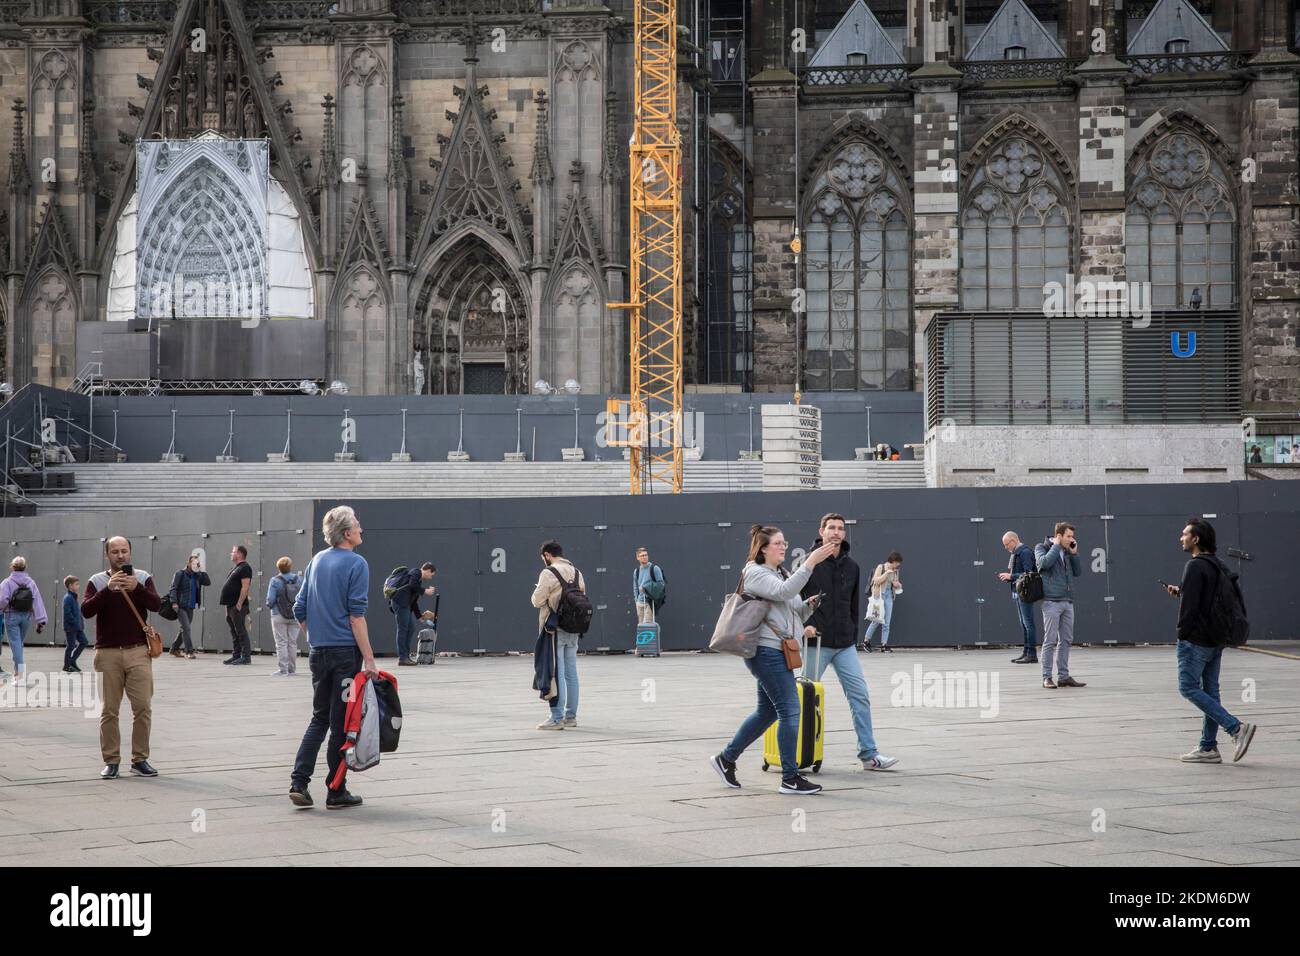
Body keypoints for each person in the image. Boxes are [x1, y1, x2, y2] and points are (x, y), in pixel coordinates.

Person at [709, 525, 835, 796]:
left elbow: (791, 612)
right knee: (790, 711)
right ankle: (790, 778)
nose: (783, 547)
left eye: (784, 542)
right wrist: (810, 562)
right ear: (763, 548)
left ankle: (726, 759)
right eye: (778, 543)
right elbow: (782, 593)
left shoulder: (781, 573)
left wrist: (809, 606)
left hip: (778, 650)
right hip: (766, 652)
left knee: (767, 712)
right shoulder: (755, 573)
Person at [289, 505, 378, 810]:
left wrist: (315, 635)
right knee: (342, 724)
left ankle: (299, 781)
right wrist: (369, 660)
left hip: (318, 653)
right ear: (346, 533)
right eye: (356, 524)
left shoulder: (316, 561)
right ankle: (336, 790)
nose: (361, 528)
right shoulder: (357, 564)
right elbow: (357, 617)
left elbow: (299, 609)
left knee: (319, 718)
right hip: (345, 656)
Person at [800, 513, 899, 771]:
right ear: (821, 531)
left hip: (844, 645)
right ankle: (798, 754)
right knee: (804, 699)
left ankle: (869, 755)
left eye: (840, 528)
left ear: (844, 533)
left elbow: (855, 606)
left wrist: (853, 634)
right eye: (831, 528)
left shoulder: (852, 567)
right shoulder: (808, 564)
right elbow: (794, 602)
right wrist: (803, 628)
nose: (836, 532)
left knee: (860, 696)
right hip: (816, 644)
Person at [1164, 518, 1256, 763]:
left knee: (1188, 687)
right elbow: (1205, 599)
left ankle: (1236, 728)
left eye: (1185, 534)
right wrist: (1181, 592)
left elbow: (1191, 608)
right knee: (1211, 693)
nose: (1181, 538)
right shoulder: (1217, 565)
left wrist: (1182, 634)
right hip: (1215, 640)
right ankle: (1208, 748)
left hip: (1196, 640)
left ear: (1196, 539)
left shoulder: (1194, 566)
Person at [82, 536, 162, 779]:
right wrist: (109, 589)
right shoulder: (97, 581)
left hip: (138, 650)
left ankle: (140, 759)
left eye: (124, 551)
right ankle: (112, 760)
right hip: (107, 652)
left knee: (143, 708)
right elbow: (86, 610)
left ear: (130, 553)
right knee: (109, 711)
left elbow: (156, 605)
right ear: (108, 555)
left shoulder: (143, 577)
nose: (120, 556)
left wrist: (135, 587)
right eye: (115, 551)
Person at [531, 541, 586, 730]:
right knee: (572, 673)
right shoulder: (577, 572)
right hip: (574, 628)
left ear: (547, 555)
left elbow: (537, 601)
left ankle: (556, 718)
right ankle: (571, 716)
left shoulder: (548, 573)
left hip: (554, 629)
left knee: (556, 672)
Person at [1035, 522, 1085, 689]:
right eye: (1068, 536)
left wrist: (1074, 553)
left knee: (1066, 640)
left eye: (1072, 536)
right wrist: (1055, 547)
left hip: (1067, 601)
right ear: (1059, 536)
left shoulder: (1067, 551)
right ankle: (1047, 677)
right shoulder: (1041, 547)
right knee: (1050, 640)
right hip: (1051, 601)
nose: (1072, 539)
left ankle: (1063, 676)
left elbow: (1078, 572)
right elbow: (1044, 564)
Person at [0, 556, 48, 688]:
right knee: (19, 644)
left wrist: (1, 609)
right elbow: (37, 601)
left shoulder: (7, 582)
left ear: (12, 567)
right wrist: (41, 620)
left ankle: (19, 677)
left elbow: (2, 600)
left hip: (11, 616)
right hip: (26, 616)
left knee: (16, 645)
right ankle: (18, 674)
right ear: (25, 567)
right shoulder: (31, 582)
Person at [998, 531, 1039, 663]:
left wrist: (1011, 576)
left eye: (1006, 544)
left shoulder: (1025, 552)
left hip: (1025, 592)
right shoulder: (1017, 553)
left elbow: (1029, 573)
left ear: (1014, 541)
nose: (1006, 548)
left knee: (1028, 624)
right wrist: (1010, 578)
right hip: (1019, 591)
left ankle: (1032, 654)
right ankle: (1026, 652)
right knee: (1024, 624)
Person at [391, 562, 436, 667]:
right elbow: (412, 585)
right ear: (428, 570)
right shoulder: (416, 572)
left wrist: (419, 616)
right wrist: (425, 591)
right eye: (431, 574)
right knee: (403, 629)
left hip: (405, 604)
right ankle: (403, 658)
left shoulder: (418, 580)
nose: (431, 577)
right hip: (400, 603)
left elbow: (414, 601)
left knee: (410, 628)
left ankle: (405, 656)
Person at [266, 557, 304, 677]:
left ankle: (283, 670)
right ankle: (292, 670)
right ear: (290, 566)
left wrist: (270, 606)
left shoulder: (275, 580)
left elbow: (270, 600)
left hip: (278, 614)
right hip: (295, 615)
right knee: (292, 642)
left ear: (278, 567)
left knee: (281, 642)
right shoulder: (299, 579)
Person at [168, 553, 210, 659]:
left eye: (198, 563)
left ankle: (174, 649)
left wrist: (202, 569)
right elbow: (173, 588)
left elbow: (208, 582)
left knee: (184, 628)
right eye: (194, 563)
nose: (196, 565)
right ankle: (189, 651)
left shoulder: (197, 576)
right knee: (186, 628)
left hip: (190, 607)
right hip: (181, 606)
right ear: (189, 563)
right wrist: (174, 602)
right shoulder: (180, 574)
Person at [220, 544, 254, 665]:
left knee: (240, 631)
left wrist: (239, 603)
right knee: (234, 631)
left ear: (239, 554)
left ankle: (246, 657)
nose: (231, 553)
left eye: (233, 551)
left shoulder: (245, 568)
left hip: (237, 606)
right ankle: (236, 655)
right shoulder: (237, 567)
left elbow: (245, 587)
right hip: (230, 606)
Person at [863, 551, 903, 652]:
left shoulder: (896, 571)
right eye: (897, 563)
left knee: (887, 622)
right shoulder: (881, 567)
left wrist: (898, 584)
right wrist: (886, 574)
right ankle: (866, 641)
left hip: (889, 596)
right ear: (893, 561)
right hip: (879, 596)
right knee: (876, 620)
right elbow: (875, 581)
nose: (898, 565)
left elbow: (897, 583)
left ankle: (884, 645)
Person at [62, 576, 90, 673]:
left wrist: (81, 623)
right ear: (70, 586)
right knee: (71, 646)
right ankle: (66, 666)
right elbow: (68, 614)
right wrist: (75, 623)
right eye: (76, 584)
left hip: (78, 626)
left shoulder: (74, 597)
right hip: (71, 627)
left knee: (84, 642)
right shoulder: (68, 598)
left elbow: (78, 612)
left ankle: (72, 661)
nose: (78, 586)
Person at [632, 547, 664, 625]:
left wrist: (647, 588)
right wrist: (636, 599)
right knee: (641, 626)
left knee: (648, 626)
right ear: (638, 558)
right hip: (640, 602)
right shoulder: (637, 571)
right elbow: (635, 586)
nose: (645, 557)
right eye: (642, 555)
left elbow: (661, 584)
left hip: (650, 601)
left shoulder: (655, 568)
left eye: (646, 555)